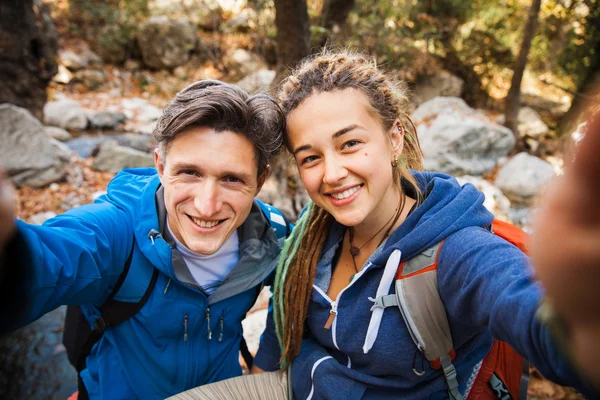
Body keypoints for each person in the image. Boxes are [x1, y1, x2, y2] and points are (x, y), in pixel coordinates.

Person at [171, 50, 599, 400]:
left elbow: (532, 312)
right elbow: (284, 325)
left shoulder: (454, 252)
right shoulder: (314, 232)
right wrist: (260, 375)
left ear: (394, 139)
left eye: (350, 143)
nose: (333, 173)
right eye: (311, 157)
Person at [0, 80, 291, 399]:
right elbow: (43, 262)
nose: (207, 205)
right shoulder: (115, 235)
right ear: (161, 166)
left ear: (260, 181)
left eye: (232, 179)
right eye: (190, 173)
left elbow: (296, 289)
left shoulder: (270, 234)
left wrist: (265, 362)